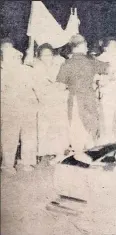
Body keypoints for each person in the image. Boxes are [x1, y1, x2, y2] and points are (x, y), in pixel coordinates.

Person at [56, 34, 109, 161]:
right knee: (91, 122)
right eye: (85, 44)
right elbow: (108, 68)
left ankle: (79, 152)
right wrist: (102, 81)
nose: (87, 47)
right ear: (79, 46)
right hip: (90, 97)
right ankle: (90, 152)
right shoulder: (91, 61)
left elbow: (59, 86)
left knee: (77, 124)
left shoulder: (66, 64)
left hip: (75, 99)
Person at [1, 38, 39, 174]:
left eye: (16, 57)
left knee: (29, 136)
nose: (15, 59)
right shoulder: (3, 73)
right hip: (10, 109)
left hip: (28, 108)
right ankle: (7, 165)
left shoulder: (26, 70)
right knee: (10, 137)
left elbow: (36, 87)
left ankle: (27, 162)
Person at [33, 43, 70, 160]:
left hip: (59, 102)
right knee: (46, 129)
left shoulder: (58, 66)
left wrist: (59, 88)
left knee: (60, 127)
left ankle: (60, 153)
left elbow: (64, 83)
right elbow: (38, 86)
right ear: (39, 57)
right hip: (45, 103)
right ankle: (46, 152)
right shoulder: (36, 68)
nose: (47, 58)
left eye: (49, 55)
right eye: (44, 55)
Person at [96, 37, 116, 144]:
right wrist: (108, 78)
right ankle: (107, 143)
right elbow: (97, 79)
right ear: (106, 48)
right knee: (107, 120)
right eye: (113, 46)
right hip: (107, 93)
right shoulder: (101, 59)